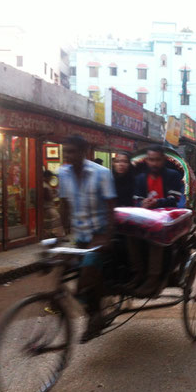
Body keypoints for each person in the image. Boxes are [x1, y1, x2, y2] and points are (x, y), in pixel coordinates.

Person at [58, 135, 117, 341]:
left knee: (85, 279)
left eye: (72, 151)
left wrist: (106, 237)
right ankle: (95, 314)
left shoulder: (101, 173)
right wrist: (62, 234)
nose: (68, 155)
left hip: (99, 234)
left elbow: (111, 208)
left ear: (84, 152)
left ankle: (96, 315)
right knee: (65, 271)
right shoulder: (63, 173)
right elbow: (64, 204)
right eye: (65, 151)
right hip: (79, 235)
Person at [132, 145, 184, 296]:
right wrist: (142, 203)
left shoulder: (172, 175)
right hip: (144, 218)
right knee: (127, 235)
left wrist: (157, 203)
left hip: (166, 220)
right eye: (151, 160)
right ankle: (137, 273)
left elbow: (174, 199)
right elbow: (135, 198)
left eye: (157, 160)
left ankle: (153, 278)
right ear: (147, 160)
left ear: (163, 160)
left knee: (155, 238)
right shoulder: (140, 178)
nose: (154, 163)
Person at [42, 170, 65, 239]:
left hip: (47, 207)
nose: (51, 179)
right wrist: (56, 194)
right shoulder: (45, 186)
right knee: (57, 218)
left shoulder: (44, 184)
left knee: (49, 222)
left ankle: (50, 234)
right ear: (46, 177)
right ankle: (59, 235)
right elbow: (49, 197)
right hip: (48, 207)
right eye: (50, 177)